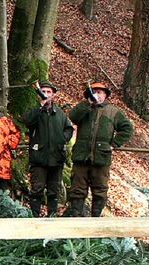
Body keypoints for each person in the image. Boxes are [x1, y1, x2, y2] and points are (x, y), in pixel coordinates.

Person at [68, 81, 133, 217]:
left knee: (100, 190)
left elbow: (127, 129)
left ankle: (96, 219)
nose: (96, 95)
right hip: (81, 157)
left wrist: (114, 144)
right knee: (77, 189)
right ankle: (75, 218)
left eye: (99, 92)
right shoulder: (84, 108)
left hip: (101, 158)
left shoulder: (113, 112)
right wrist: (87, 103)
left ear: (105, 95)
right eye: (94, 92)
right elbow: (73, 116)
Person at [21, 80, 73, 217]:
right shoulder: (34, 111)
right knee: (37, 189)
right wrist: (40, 106)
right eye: (43, 91)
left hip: (56, 159)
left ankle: (52, 216)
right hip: (39, 158)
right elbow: (27, 121)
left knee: (53, 190)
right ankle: (34, 217)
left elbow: (69, 129)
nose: (46, 94)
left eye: (48, 92)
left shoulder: (60, 113)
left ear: (53, 94)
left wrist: (62, 138)